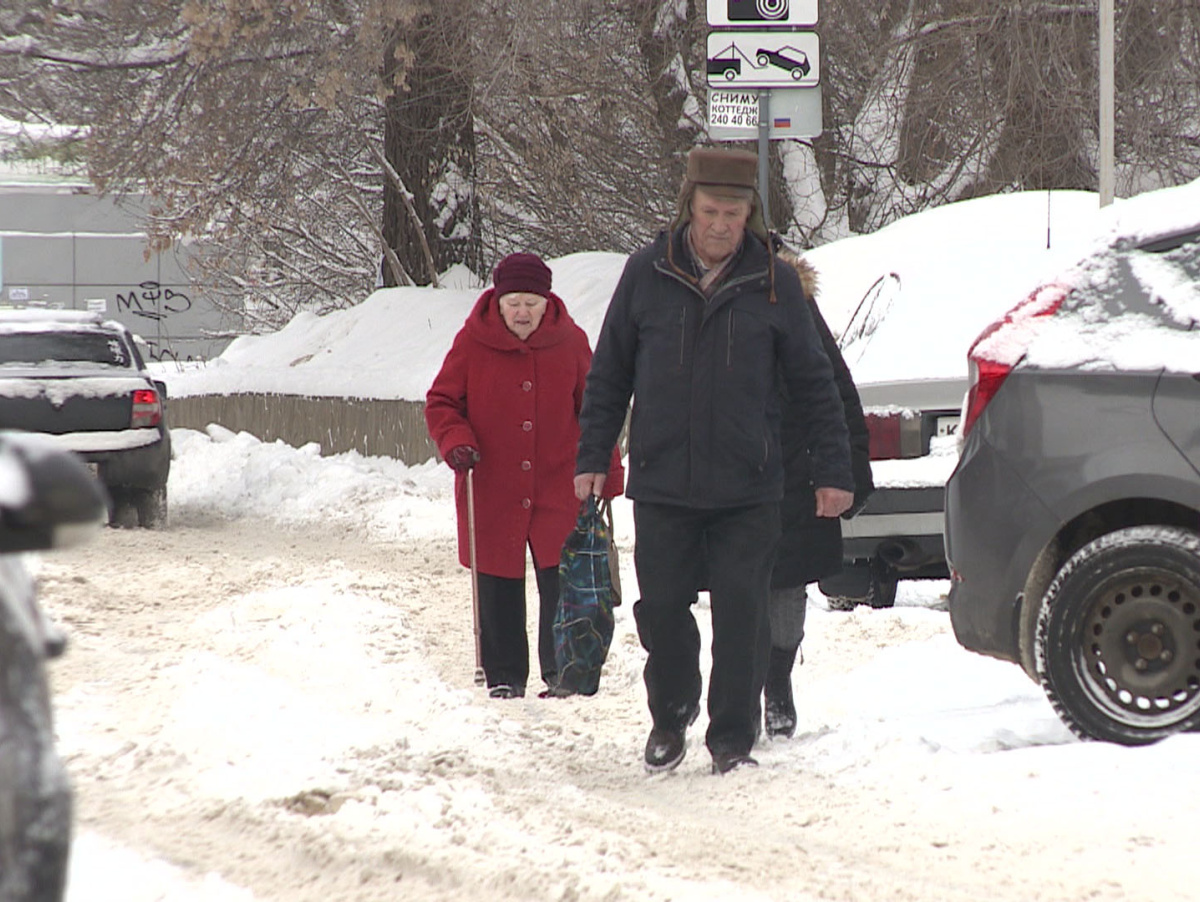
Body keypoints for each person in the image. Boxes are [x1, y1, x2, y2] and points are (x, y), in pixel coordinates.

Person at [573, 146, 854, 775]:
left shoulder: (774, 283)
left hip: (748, 487)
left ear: (749, 214)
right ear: (688, 207)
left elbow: (816, 383)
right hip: (663, 481)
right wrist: (594, 452)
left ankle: (731, 739)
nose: (721, 224)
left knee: (741, 614)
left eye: (734, 213)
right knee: (663, 612)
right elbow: (610, 372)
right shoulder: (646, 272)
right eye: (710, 211)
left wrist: (834, 471)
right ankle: (670, 716)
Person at [426, 252, 624, 700]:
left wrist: (609, 472)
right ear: (497, 301)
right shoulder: (472, 343)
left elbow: (597, 412)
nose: (521, 313)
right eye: (513, 302)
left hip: (560, 484)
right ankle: (504, 675)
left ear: (546, 302)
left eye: (531, 304)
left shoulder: (570, 342)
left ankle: (562, 670)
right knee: (497, 581)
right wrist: (455, 438)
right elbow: (441, 401)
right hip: (493, 483)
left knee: (562, 580)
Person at [763, 248, 875, 739]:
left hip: (793, 466)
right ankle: (741, 690)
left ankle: (777, 682)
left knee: (787, 582)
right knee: (736, 584)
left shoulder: (792, 295)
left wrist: (849, 468)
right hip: (726, 465)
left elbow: (835, 386)